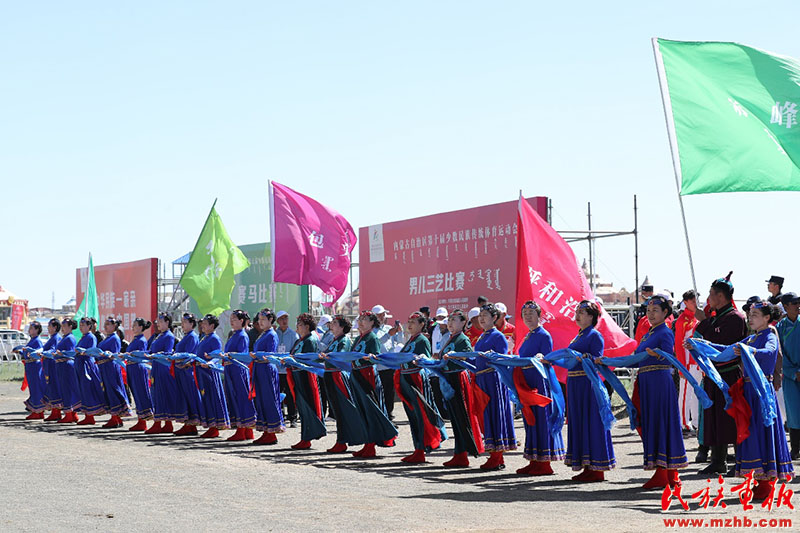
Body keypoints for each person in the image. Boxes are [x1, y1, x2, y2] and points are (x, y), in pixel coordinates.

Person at [688, 301, 794, 500]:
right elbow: (725, 351)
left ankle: (766, 481)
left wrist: (750, 352)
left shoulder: (769, 334)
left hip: (761, 392)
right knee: (751, 432)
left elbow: (770, 352)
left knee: (761, 432)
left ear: (767, 318)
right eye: (750, 314)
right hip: (748, 391)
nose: (750, 318)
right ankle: (759, 479)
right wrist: (701, 345)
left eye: (755, 314)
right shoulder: (752, 339)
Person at [600, 295, 686, 489]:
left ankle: (664, 472)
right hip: (647, 381)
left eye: (656, 310)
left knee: (660, 423)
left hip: (659, 383)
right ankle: (669, 472)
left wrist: (658, 355)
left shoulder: (665, 332)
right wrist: (610, 361)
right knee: (652, 424)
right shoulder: (649, 333)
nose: (651, 314)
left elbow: (667, 356)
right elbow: (638, 360)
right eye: (648, 311)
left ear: (666, 313)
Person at [556, 300, 615, 482]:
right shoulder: (579, 335)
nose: (578, 315)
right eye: (577, 311)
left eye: (582, 312)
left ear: (591, 316)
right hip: (575, 384)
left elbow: (597, 358)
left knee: (591, 422)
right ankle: (588, 465)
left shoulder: (594, 335)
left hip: (587, 385)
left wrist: (584, 357)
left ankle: (597, 467)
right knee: (580, 422)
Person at [694, 273, 748, 473]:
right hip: (713, 375)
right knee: (714, 418)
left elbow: (723, 347)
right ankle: (718, 460)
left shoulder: (735, 318)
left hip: (728, 375)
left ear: (720, 296)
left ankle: (741, 461)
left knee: (730, 418)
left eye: (711, 294)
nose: (708, 298)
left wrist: (705, 327)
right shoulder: (716, 318)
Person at [515, 301, 565, 476]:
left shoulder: (543, 335)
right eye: (525, 313)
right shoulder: (528, 335)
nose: (527, 316)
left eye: (531, 313)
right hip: (527, 381)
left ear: (539, 315)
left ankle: (544, 463)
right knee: (530, 420)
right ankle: (534, 459)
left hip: (538, 382)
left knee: (540, 419)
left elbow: (546, 357)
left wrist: (540, 356)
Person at [394, 312, 447, 464]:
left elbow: (423, 358)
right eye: (409, 321)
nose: (409, 324)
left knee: (421, 413)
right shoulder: (410, 339)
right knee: (413, 415)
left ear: (422, 324)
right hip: (406, 377)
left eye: (414, 321)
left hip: (415, 379)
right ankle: (417, 448)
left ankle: (422, 448)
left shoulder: (422, 339)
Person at [472, 303, 517, 470]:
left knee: (494, 415)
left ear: (495, 318)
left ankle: (497, 457)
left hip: (493, 380)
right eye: (480, 316)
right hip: (482, 379)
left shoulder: (498, 336)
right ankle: (493, 454)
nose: (482, 319)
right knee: (485, 416)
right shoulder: (482, 336)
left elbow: (502, 358)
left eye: (485, 316)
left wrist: (492, 357)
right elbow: (477, 358)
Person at [348, 311, 398, 458]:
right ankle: (367, 443)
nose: (361, 321)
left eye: (365, 319)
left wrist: (369, 357)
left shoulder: (372, 337)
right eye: (361, 319)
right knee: (362, 409)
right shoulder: (358, 338)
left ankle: (372, 445)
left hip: (367, 374)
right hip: (357, 374)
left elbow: (376, 357)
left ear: (372, 323)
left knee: (370, 408)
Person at [439, 310, 483, 467]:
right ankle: (459, 453)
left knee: (461, 416)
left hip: (458, 378)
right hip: (449, 378)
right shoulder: (450, 338)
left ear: (464, 322)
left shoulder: (462, 339)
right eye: (449, 320)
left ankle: (463, 452)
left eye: (454, 320)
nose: (450, 323)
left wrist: (453, 355)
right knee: (454, 417)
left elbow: (467, 356)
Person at [319, 315, 366, 454]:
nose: (331, 325)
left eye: (334, 323)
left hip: (337, 375)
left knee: (342, 408)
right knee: (337, 409)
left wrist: (328, 356)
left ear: (342, 327)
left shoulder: (344, 340)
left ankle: (344, 440)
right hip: (329, 374)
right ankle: (341, 440)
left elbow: (342, 356)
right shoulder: (334, 339)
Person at [286, 313, 326, 449]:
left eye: (300, 324)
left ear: (307, 327)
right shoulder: (300, 340)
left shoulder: (310, 340)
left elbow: (308, 359)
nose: (297, 326)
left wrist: (293, 360)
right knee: (302, 407)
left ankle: (307, 437)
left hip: (305, 376)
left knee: (308, 405)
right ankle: (305, 437)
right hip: (297, 375)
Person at [250, 308, 285, 445]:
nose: (261, 322)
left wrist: (257, 356)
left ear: (271, 320)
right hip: (259, 368)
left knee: (269, 399)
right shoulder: (263, 334)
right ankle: (266, 431)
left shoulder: (271, 334)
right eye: (259, 319)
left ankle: (272, 432)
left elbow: (270, 355)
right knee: (261, 400)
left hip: (266, 369)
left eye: (264, 319)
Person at [145, 313, 183, 435]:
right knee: (157, 394)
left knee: (163, 394)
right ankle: (166, 423)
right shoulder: (159, 336)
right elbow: (151, 350)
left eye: (161, 321)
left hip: (163, 368)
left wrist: (155, 355)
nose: (158, 324)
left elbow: (167, 353)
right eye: (157, 322)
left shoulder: (169, 336)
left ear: (167, 322)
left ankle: (160, 423)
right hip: (156, 367)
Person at [222, 309, 257, 442]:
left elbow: (241, 356)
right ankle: (247, 431)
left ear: (242, 321)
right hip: (232, 370)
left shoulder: (242, 335)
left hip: (238, 371)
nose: (231, 321)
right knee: (238, 398)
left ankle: (242, 430)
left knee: (240, 399)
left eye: (234, 319)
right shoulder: (234, 334)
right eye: (231, 319)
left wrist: (228, 356)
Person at [195, 314, 230, 438]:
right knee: (205, 398)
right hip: (201, 372)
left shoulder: (214, 338)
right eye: (202, 323)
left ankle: (215, 426)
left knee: (212, 398)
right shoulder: (204, 337)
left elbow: (217, 356)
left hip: (209, 373)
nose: (202, 325)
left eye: (205, 323)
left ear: (212, 325)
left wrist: (209, 363)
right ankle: (210, 425)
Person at [95, 317, 130, 428]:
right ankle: (115, 417)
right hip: (104, 367)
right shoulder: (107, 338)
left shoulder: (114, 338)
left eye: (108, 324)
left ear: (114, 326)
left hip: (110, 367)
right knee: (108, 391)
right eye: (105, 324)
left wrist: (105, 354)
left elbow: (114, 354)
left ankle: (116, 417)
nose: (105, 326)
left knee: (113, 390)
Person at [777, 292, 800, 460]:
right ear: (785, 306)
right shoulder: (779, 328)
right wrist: (793, 372)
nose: (798, 306)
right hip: (790, 377)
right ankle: (795, 448)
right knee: (793, 413)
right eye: (794, 303)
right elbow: (779, 354)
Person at [675, 290, 700, 432]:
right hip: (687, 363)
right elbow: (678, 345)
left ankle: (696, 421)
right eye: (692, 301)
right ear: (685, 302)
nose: (695, 303)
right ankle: (683, 422)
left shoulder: (696, 319)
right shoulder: (682, 320)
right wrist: (681, 366)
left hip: (697, 363)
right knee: (685, 394)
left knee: (696, 393)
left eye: (696, 300)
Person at [372, 304, 403, 420]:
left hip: (389, 364)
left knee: (389, 390)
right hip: (378, 365)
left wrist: (399, 332)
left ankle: (389, 412)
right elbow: (376, 343)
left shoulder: (387, 328)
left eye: (382, 315)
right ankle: (381, 413)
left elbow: (399, 342)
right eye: (378, 315)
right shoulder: (372, 331)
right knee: (379, 390)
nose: (381, 317)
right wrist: (388, 335)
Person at [173, 313, 202, 436]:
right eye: (182, 322)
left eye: (185, 322)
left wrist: (181, 361)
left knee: (190, 396)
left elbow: (190, 354)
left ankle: (192, 424)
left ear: (191, 324)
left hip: (187, 371)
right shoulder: (186, 336)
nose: (183, 325)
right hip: (181, 371)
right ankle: (187, 423)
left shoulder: (192, 337)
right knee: (184, 397)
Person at [74, 317, 104, 425]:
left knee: (88, 389)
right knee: (83, 390)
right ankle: (88, 415)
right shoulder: (83, 337)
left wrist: (82, 351)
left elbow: (91, 351)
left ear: (89, 326)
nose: (81, 327)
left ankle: (90, 415)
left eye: (83, 325)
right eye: (80, 325)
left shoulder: (91, 337)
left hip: (87, 365)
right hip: (81, 365)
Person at [126, 318, 154, 431]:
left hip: (137, 367)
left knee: (140, 393)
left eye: (135, 325)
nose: (133, 327)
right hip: (132, 367)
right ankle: (140, 419)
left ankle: (144, 420)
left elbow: (141, 355)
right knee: (136, 394)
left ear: (141, 327)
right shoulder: (135, 339)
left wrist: (130, 355)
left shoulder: (141, 340)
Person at [54, 318, 80, 423]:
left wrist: (62, 353)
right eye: (62, 325)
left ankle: (69, 414)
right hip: (62, 365)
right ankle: (71, 414)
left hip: (67, 365)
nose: (63, 328)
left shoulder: (70, 338)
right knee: (64, 389)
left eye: (65, 326)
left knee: (67, 389)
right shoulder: (64, 338)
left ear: (70, 327)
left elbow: (72, 353)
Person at [275, 310, 299, 427]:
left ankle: (292, 418)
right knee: (278, 393)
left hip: (288, 369)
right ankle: (281, 417)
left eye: (286, 318)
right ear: (278, 321)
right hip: (277, 369)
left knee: (290, 394)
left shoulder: (293, 334)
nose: (284, 321)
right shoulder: (275, 334)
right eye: (281, 319)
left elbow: (295, 350)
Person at [20, 321, 46, 419]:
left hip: (35, 366)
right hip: (30, 366)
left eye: (32, 328)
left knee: (36, 388)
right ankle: (37, 411)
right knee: (33, 388)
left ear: (37, 330)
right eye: (30, 328)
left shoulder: (37, 340)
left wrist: (29, 351)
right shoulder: (32, 340)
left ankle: (38, 411)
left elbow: (38, 353)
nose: (30, 330)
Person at [41, 319, 63, 421]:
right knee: (51, 386)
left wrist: (44, 353)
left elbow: (54, 350)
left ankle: (56, 412)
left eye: (50, 326)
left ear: (55, 327)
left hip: (53, 366)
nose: (48, 328)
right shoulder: (52, 338)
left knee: (55, 387)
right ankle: (55, 411)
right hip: (49, 366)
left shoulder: (56, 338)